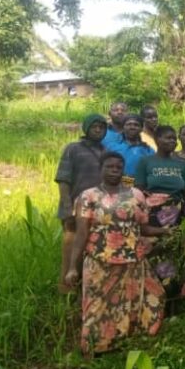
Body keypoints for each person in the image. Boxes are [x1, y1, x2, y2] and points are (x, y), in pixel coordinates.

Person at [63, 152, 167, 356]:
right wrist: (72, 267)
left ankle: (129, 342)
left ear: (123, 170)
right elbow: (81, 233)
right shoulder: (88, 196)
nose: (113, 171)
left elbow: (143, 228)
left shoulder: (135, 195)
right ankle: (95, 347)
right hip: (99, 260)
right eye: (109, 167)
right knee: (97, 305)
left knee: (148, 297)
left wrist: (166, 230)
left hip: (132, 260)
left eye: (118, 168)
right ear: (100, 169)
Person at [135, 126, 185, 300]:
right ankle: (152, 298)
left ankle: (174, 298)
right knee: (153, 252)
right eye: (168, 138)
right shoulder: (146, 162)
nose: (173, 141)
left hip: (178, 216)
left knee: (176, 253)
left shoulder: (181, 165)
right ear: (157, 139)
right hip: (152, 215)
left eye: (174, 138)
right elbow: (138, 190)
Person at [56, 114, 108, 292]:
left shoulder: (106, 151)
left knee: (94, 250)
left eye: (102, 127)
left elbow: (115, 178)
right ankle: (66, 291)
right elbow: (63, 179)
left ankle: (88, 291)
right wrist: (67, 207)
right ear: (86, 128)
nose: (98, 130)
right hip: (75, 208)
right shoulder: (73, 149)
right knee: (71, 251)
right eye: (94, 126)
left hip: (100, 209)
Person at [106, 115, 155, 184]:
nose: (132, 127)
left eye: (136, 125)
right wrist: (128, 182)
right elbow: (105, 170)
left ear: (141, 129)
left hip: (141, 189)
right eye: (129, 124)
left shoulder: (149, 150)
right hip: (116, 187)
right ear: (123, 127)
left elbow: (152, 173)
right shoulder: (112, 147)